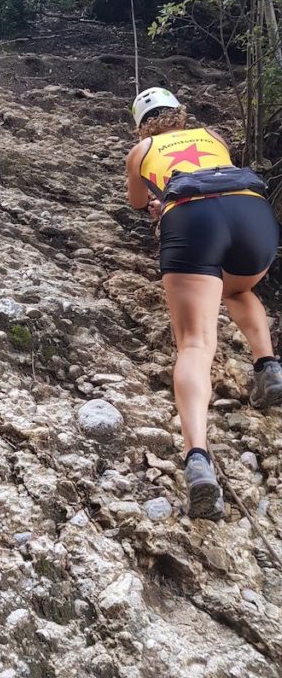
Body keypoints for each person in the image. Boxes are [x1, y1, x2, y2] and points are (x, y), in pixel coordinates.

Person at [126, 87, 281, 519]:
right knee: (236, 289)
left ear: (142, 122)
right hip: (255, 218)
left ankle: (198, 459)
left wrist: (161, 202)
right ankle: (268, 367)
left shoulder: (142, 148)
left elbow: (139, 202)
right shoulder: (211, 136)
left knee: (195, 343)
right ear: (180, 112)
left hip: (193, 221)